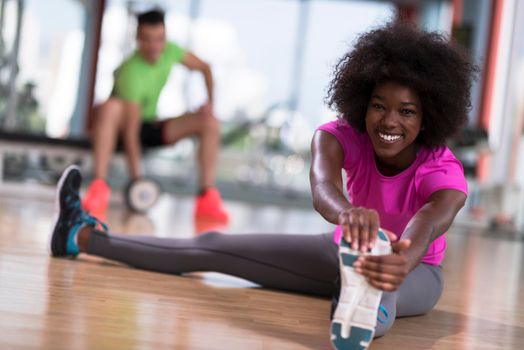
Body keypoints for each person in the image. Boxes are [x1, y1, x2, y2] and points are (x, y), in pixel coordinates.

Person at [50, 22, 477, 349]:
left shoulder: (442, 168)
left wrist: (404, 255)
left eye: (406, 111)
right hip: (339, 248)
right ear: (361, 103)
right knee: (213, 246)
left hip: (415, 271)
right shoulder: (337, 135)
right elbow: (323, 185)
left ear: (427, 118)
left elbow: (431, 216)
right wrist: (347, 213)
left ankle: (360, 311)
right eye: (379, 106)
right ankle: (80, 234)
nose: (389, 121)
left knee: (383, 284)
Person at [83, 9, 228, 222]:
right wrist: (137, 182)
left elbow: (205, 68)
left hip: (150, 123)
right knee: (111, 107)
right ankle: (99, 186)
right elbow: (132, 133)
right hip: (121, 130)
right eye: (147, 40)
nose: (154, 47)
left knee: (209, 123)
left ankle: (207, 198)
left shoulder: (171, 51)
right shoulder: (131, 71)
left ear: (165, 37)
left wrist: (210, 103)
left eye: (159, 39)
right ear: (138, 39)